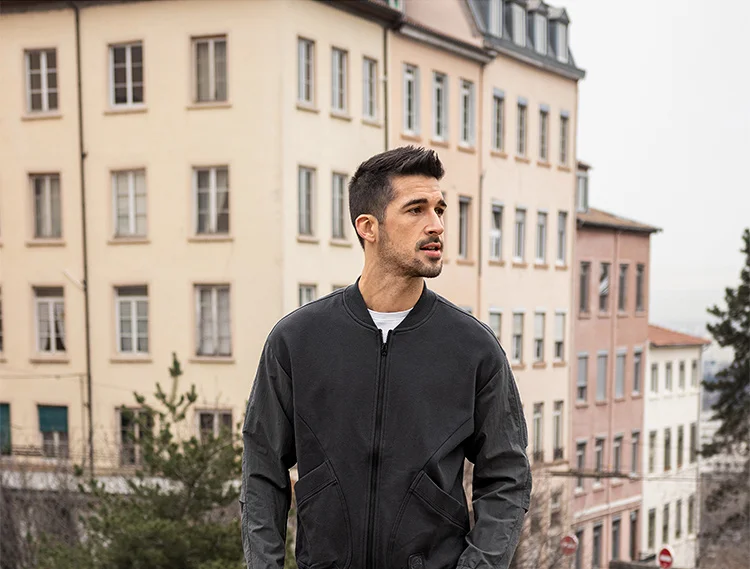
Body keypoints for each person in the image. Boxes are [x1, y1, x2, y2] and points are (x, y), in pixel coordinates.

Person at [241, 146, 531, 569]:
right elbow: (261, 472)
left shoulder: (473, 347)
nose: (436, 225)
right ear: (368, 227)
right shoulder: (297, 340)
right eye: (416, 210)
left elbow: (507, 477)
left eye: (439, 210)